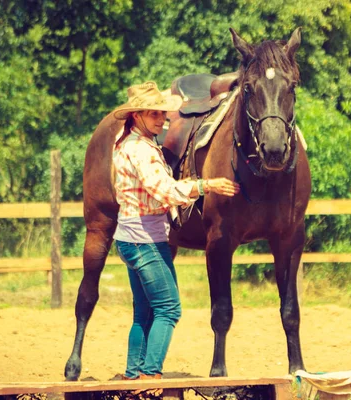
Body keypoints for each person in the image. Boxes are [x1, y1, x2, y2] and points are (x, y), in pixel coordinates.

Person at [111, 81, 240, 382]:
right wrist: (206, 185)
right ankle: (149, 375)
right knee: (169, 309)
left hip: (132, 236)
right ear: (137, 115)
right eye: (155, 114)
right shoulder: (141, 150)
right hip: (145, 240)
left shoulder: (128, 142)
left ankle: (134, 374)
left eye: (162, 114)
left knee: (144, 312)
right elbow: (164, 189)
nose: (162, 120)